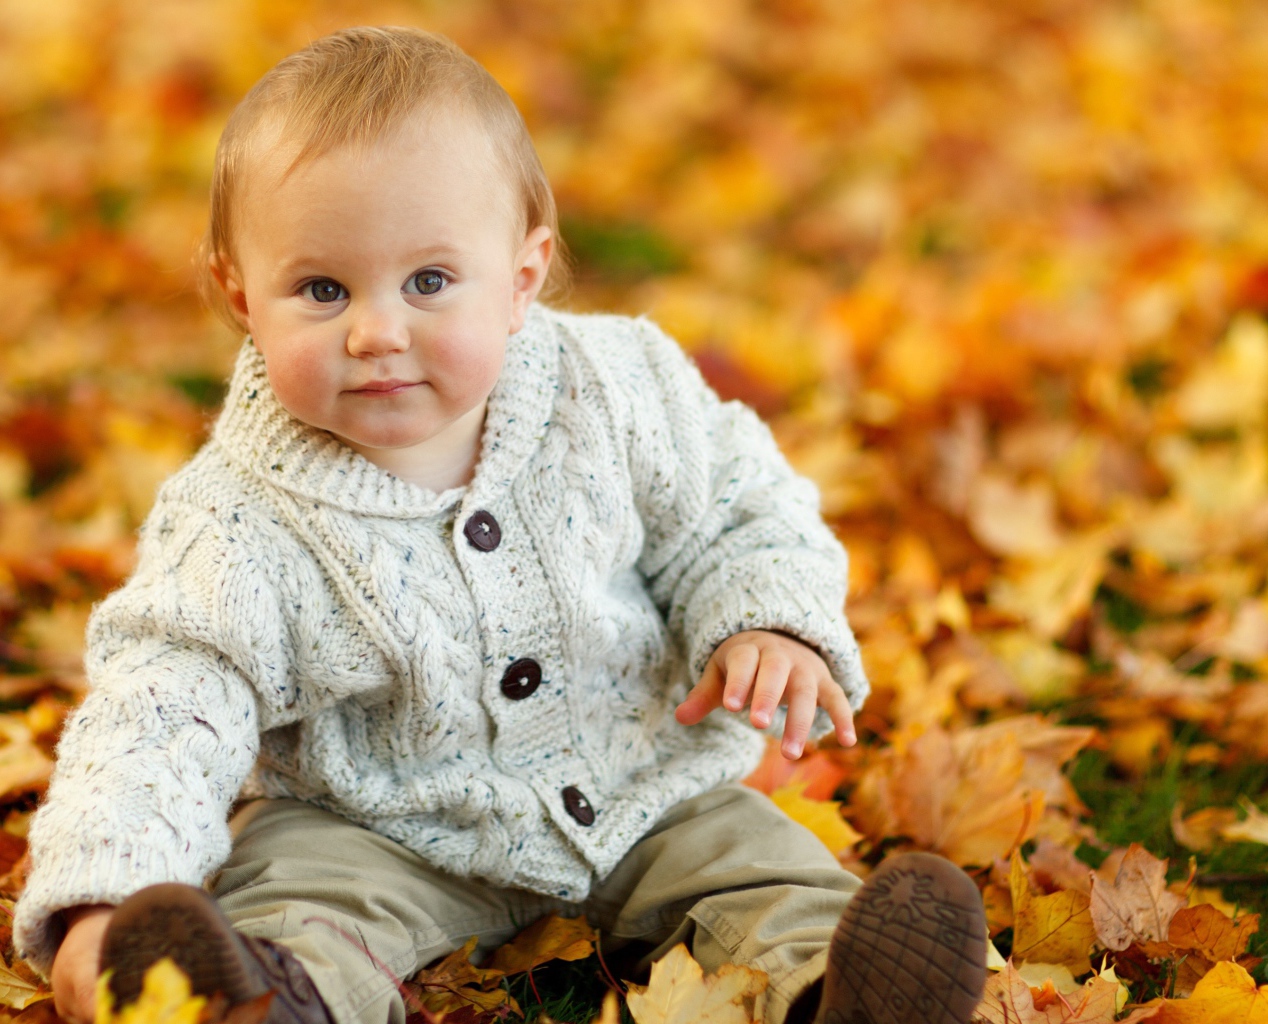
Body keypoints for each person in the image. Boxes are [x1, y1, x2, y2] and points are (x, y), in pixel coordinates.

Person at [14, 26, 988, 1024]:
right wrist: (104, 896)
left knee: (760, 870)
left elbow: (737, 506)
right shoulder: (236, 517)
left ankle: (841, 993)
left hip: (642, 786)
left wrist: (763, 620)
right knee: (301, 902)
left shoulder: (615, 388)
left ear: (521, 277)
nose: (377, 330)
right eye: (320, 289)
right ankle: (262, 1001)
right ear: (238, 293)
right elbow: (165, 703)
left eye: (428, 281)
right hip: (378, 824)